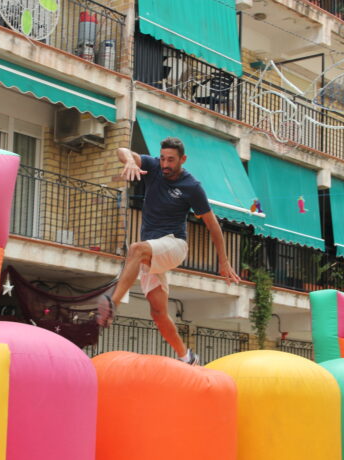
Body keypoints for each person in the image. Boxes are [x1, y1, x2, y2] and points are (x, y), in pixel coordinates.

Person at [96, 137, 241, 365]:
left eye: (171, 160)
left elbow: (213, 225)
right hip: (152, 250)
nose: (165, 164)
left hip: (174, 245)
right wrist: (130, 162)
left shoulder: (192, 187)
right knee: (157, 312)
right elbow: (122, 150)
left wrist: (223, 262)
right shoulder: (153, 167)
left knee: (136, 249)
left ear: (183, 160)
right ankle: (187, 357)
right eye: (163, 158)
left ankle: (112, 304)